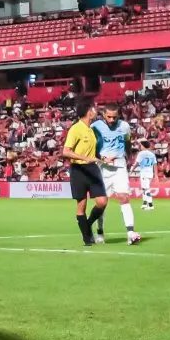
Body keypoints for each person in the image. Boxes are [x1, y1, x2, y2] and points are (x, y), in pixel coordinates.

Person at [91, 104, 141, 245]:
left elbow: (128, 142)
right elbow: (90, 147)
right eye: (109, 117)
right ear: (103, 115)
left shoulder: (124, 126)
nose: (112, 120)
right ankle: (100, 233)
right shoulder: (95, 127)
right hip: (102, 167)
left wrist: (129, 157)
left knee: (124, 197)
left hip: (119, 166)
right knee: (102, 203)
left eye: (115, 117)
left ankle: (130, 233)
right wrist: (100, 159)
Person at [62, 98, 108, 246]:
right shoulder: (75, 129)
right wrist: (84, 158)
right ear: (89, 113)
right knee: (81, 205)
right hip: (78, 169)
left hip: (92, 168)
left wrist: (102, 158)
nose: (95, 111)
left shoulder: (91, 129)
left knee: (102, 202)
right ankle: (86, 238)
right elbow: (66, 151)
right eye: (93, 109)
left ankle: (87, 225)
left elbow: (92, 151)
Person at [135, 140, 158, 210]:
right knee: (144, 188)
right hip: (150, 173)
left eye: (141, 145)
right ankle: (144, 203)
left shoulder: (141, 153)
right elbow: (155, 164)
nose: (140, 147)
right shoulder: (152, 154)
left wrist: (131, 170)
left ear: (143, 146)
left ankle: (150, 205)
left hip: (144, 173)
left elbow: (136, 163)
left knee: (146, 188)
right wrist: (156, 175)